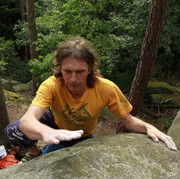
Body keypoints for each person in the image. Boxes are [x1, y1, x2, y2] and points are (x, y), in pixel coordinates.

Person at [5, 36, 177, 163]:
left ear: (90, 69)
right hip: (55, 124)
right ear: (60, 69)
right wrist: (46, 132)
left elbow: (128, 119)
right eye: (67, 71)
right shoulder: (52, 84)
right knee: (13, 130)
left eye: (79, 71)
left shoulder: (106, 88)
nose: (73, 79)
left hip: (83, 134)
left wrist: (148, 126)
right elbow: (27, 120)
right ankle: (35, 153)